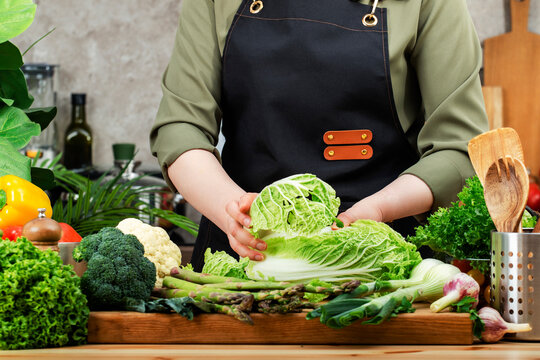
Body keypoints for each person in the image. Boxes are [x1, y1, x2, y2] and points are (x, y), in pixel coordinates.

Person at [150, 0, 489, 271]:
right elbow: (181, 128)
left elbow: (460, 151)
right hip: (242, 266)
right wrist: (233, 214)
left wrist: (378, 210)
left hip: (379, 265)